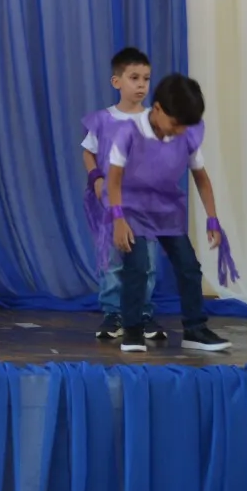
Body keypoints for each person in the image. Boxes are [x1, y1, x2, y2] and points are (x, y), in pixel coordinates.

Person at [103, 73, 235, 354]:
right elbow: (113, 180)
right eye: (175, 124)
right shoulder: (128, 133)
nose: (179, 131)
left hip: (166, 210)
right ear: (158, 109)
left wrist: (213, 218)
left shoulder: (185, 134)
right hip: (131, 209)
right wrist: (118, 219)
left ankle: (195, 329)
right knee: (137, 268)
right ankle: (133, 330)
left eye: (185, 126)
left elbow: (201, 178)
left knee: (189, 267)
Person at [81, 46, 159, 340]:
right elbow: (88, 151)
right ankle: (113, 313)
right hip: (111, 205)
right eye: (134, 78)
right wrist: (95, 177)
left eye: (146, 79)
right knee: (113, 261)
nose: (141, 85)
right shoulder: (103, 120)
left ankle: (143, 313)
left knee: (147, 261)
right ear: (117, 82)